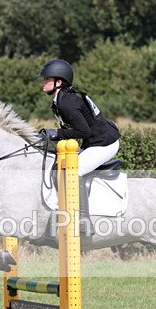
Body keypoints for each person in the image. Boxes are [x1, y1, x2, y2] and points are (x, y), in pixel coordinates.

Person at [36, 59, 121, 236]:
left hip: (105, 143)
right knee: (57, 165)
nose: (43, 82)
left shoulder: (67, 101)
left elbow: (83, 131)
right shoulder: (60, 99)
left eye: (46, 79)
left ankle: (84, 220)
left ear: (59, 82)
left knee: (74, 171)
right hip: (93, 141)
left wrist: (55, 134)